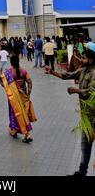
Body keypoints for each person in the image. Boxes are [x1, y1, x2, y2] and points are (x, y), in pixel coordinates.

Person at [45, 42, 95, 176]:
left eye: (84, 58)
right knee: (85, 144)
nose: (81, 60)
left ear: (92, 59)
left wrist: (76, 90)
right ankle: (82, 171)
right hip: (87, 116)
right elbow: (68, 75)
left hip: (94, 115)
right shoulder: (83, 70)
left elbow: (91, 91)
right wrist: (52, 72)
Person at [0, 54, 37, 143]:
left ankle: (22, 133)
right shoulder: (24, 71)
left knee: (16, 114)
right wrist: (28, 95)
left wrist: (0, 77)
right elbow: (30, 82)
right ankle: (21, 132)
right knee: (23, 115)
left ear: (11, 62)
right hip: (23, 97)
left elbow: (3, 84)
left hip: (14, 99)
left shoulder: (8, 73)